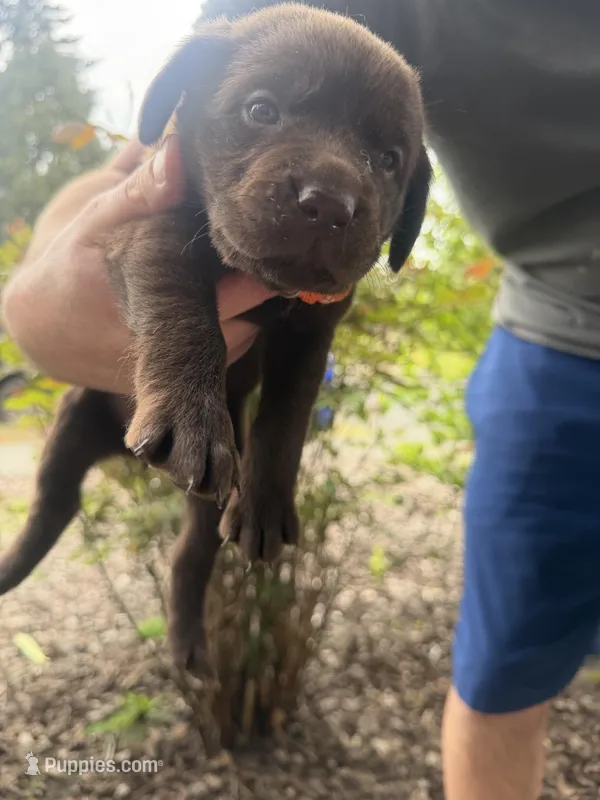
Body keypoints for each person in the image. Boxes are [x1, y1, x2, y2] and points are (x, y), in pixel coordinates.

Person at [3, 1, 600, 798]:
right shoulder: (178, 193)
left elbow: (298, 369)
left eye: (385, 161)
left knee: (207, 533)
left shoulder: (332, 283)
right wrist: (40, 302)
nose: (333, 190)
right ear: (182, 98)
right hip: (126, 399)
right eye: (261, 110)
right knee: (49, 505)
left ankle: (188, 605)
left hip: (224, 433)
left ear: (409, 209)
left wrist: (273, 482)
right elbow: (139, 246)